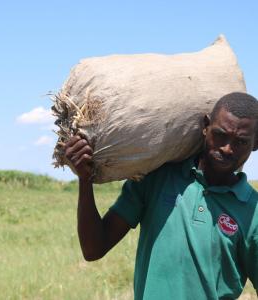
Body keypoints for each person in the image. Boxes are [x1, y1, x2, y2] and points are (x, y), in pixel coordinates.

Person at [63, 92, 258, 299]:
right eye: (220, 135)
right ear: (205, 126)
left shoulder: (253, 211)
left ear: (255, 144)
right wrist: (85, 180)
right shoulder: (157, 178)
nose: (227, 149)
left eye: (241, 142)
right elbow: (94, 249)